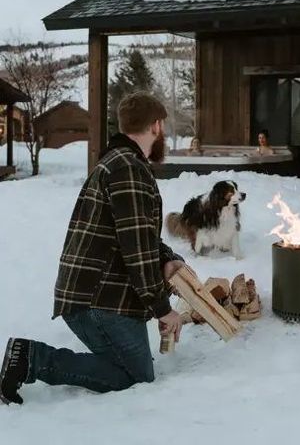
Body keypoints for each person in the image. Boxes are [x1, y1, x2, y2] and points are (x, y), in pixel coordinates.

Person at [1, 92, 192, 405]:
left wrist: (168, 259)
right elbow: (138, 252)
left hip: (92, 293)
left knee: (130, 372)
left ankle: (29, 357)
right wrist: (163, 309)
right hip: (99, 299)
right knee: (136, 379)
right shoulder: (128, 169)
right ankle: (30, 358)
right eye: (163, 127)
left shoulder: (117, 162)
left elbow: (138, 236)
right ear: (156, 126)